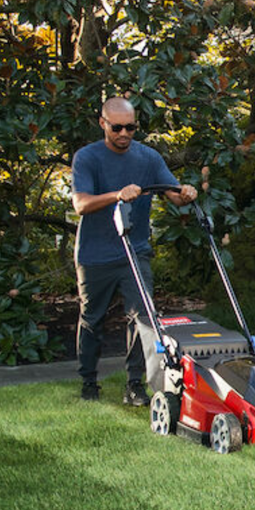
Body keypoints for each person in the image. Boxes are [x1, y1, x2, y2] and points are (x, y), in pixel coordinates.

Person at [71, 97, 197, 404]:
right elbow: (81, 204)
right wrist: (118, 195)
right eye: (117, 127)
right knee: (92, 318)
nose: (124, 133)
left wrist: (186, 194)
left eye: (130, 127)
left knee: (143, 318)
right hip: (95, 253)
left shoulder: (148, 158)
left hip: (134, 251)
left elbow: (174, 195)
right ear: (103, 124)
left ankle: (134, 385)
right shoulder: (87, 158)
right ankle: (88, 382)